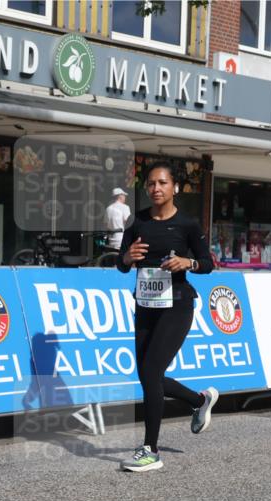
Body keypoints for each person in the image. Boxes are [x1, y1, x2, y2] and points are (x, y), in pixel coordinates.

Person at [116, 162, 219, 472]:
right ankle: (199, 401)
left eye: (162, 183)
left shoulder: (187, 224)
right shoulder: (138, 222)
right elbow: (122, 264)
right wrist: (126, 257)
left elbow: (207, 263)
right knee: (148, 376)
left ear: (175, 187)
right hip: (145, 305)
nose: (156, 188)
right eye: (151, 184)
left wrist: (187, 262)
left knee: (150, 371)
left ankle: (150, 450)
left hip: (177, 306)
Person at [104, 187, 131, 251]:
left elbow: (105, 225)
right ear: (120, 196)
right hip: (121, 239)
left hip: (111, 241)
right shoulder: (125, 207)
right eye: (124, 195)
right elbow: (128, 223)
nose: (125, 197)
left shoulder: (108, 209)